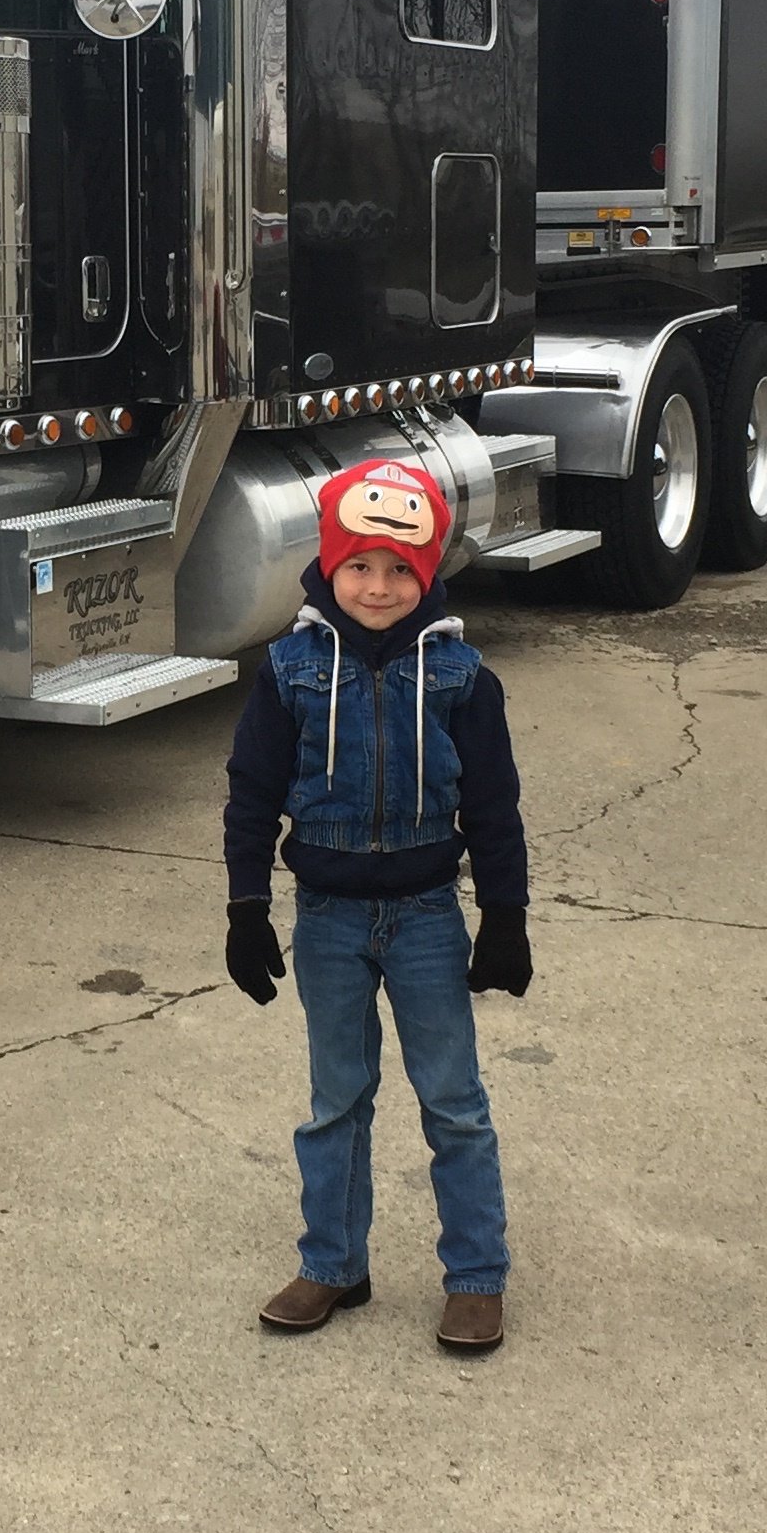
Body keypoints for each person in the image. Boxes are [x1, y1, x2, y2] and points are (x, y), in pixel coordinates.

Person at [221, 455, 531, 1354]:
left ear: (428, 572)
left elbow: (495, 807)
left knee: (453, 1101)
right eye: (360, 565)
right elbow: (251, 795)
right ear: (329, 564)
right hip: (328, 918)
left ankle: (476, 1276)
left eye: (401, 569)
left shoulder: (465, 676)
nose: (380, 586)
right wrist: (247, 908)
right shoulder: (287, 671)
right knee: (335, 1101)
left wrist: (504, 917)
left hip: (431, 916)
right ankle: (332, 1266)